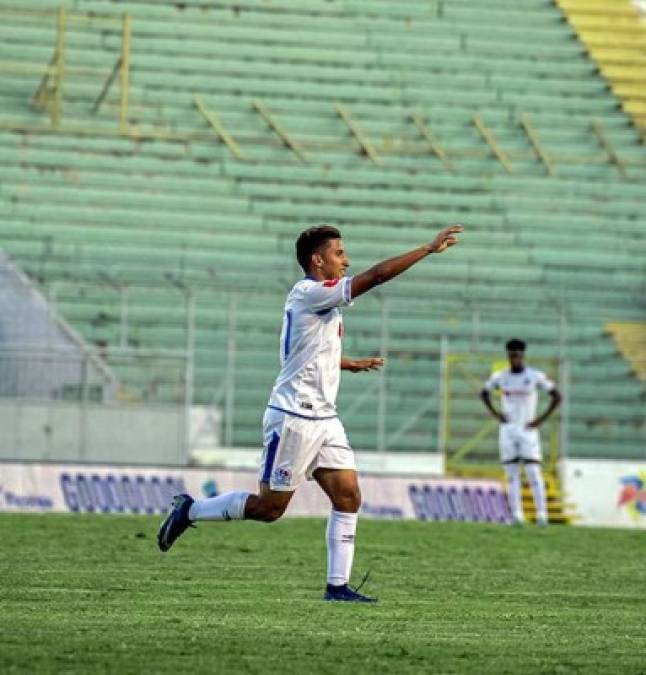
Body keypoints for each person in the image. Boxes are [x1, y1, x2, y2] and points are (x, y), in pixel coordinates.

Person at [158, 223, 463, 602]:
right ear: (317, 261)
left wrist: (347, 364)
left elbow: (305, 352)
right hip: (294, 418)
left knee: (349, 496)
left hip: (324, 419)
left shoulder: (319, 300)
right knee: (270, 509)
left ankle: (337, 587)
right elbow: (379, 275)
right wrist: (428, 249)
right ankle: (191, 510)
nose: (346, 260)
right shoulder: (310, 292)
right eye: (339, 254)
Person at [480, 339, 561, 526]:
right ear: (507, 355)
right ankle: (517, 515)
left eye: (517, 354)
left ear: (523, 355)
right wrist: (495, 414)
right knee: (511, 474)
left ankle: (542, 515)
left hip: (527, 429)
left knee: (533, 471)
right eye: (511, 354)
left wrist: (541, 419)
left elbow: (557, 396)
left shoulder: (534, 376)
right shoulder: (500, 377)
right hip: (508, 430)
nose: (514, 358)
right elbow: (484, 393)